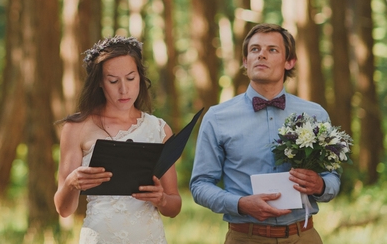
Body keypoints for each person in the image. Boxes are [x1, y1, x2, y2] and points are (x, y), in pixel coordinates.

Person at [190, 23, 341, 243]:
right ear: (245, 61)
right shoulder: (217, 117)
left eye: (272, 50)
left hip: (304, 236)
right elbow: (200, 184)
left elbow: (333, 177)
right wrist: (240, 204)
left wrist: (321, 185)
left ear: (289, 62)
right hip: (245, 237)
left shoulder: (315, 114)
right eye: (255, 49)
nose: (261, 55)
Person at [54, 36, 181, 244]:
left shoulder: (158, 129)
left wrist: (162, 199)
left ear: (140, 77)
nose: (124, 89)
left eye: (130, 78)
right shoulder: (77, 128)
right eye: (113, 81)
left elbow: (175, 206)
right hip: (100, 237)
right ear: (100, 84)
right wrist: (71, 183)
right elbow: (64, 209)